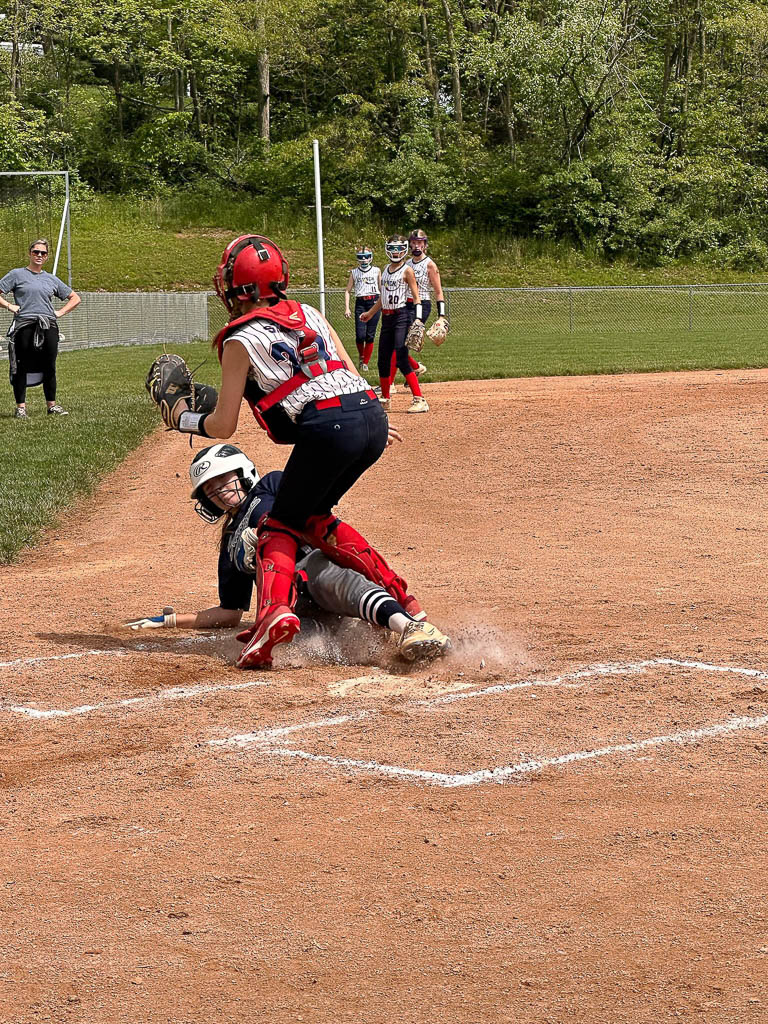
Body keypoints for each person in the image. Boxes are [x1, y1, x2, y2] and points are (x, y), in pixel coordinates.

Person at [161, 233, 429, 669]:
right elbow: (343, 369)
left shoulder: (238, 339)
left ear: (238, 289)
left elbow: (223, 424)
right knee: (315, 518)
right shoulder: (309, 312)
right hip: (367, 416)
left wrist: (181, 420)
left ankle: (272, 616)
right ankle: (408, 605)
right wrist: (369, 421)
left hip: (328, 425)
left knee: (277, 526)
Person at [125, 444, 451, 665]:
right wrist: (170, 620)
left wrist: (266, 532)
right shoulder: (228, 544)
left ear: (241, 472)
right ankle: (366, 642)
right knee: (295, 637)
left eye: (221, 480)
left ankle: (409, 627)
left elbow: (313, 505)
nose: (218, 492)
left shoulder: (270, 485)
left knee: (327, 575)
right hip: (293, 604)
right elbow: (229, 613)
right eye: (209, 491)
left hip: (313, 566)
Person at [0, 238, 81, 419]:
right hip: (25, 325)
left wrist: (59, 313)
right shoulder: (16, 274)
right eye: (36, 252)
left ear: (46, 257)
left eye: (42, 253)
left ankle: (51, 406)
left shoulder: (51, 279)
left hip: (48, 326)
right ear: (30, 253)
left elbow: (75, 298)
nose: (39, 255)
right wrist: (10, 306)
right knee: (21, 365)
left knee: (49, 366)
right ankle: (21, 408)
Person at [359, 235, 429, 414]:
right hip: (387, 319)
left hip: (401, 316)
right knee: (382, 359)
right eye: (392, 248)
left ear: (404, 249)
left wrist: (418, 320)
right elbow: (383, 298)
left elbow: (416, 298)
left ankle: (419, 399)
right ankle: (385, 399)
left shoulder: (407, 271)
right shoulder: (386, 269)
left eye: (399, 248)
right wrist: (370, 313)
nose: (395, 252)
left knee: (401, 357)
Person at [343, 246, 381, 374]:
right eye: (360, 257)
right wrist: (347, 308)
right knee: (360, 335)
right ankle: (361, 356)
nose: (364, 260)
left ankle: (365, 363)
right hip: (361, 303)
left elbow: (381, 289)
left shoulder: (376, 271)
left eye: (366, 257)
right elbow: (348, 290)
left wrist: (384, 303)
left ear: (371, 257)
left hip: (374, 301)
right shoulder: (354, 272)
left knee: (370, 335)